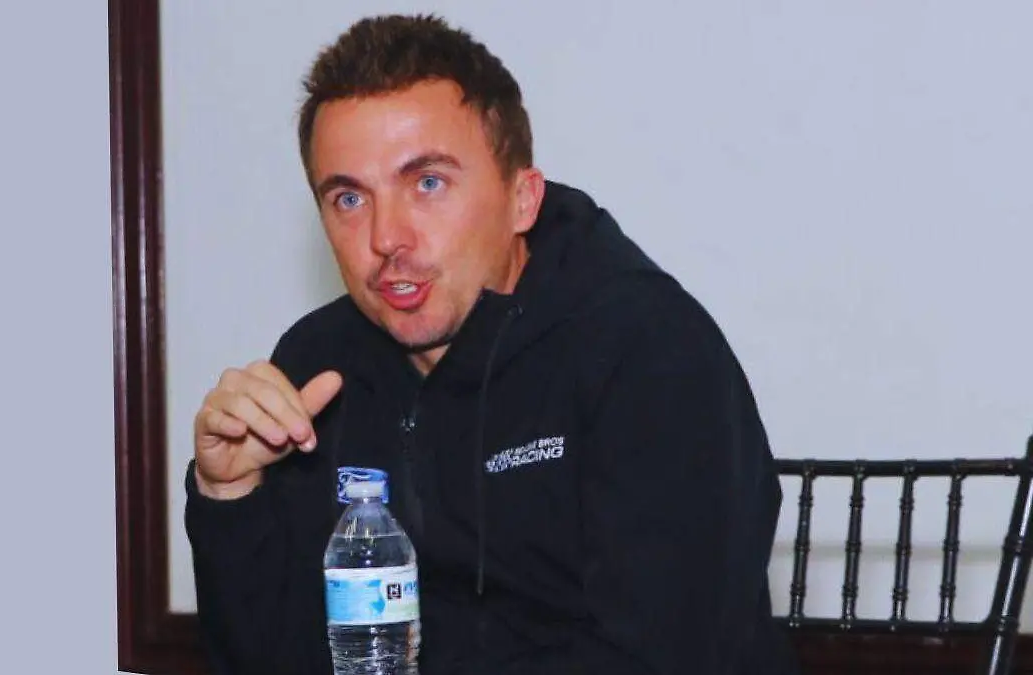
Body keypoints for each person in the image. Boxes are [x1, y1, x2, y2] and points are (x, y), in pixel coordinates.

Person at [183, 13, 800, 675]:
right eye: (349, 199)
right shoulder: (318, 366)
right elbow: (266, 659)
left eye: (427, 183)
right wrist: (231, 496)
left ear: (522, 199)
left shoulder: (648, 350)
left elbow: (665, 654)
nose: (386, 237)